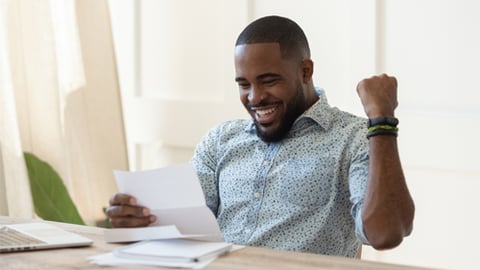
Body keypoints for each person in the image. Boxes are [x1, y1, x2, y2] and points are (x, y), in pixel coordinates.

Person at [106, 15, 414, 258]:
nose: (255, 97)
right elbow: (185, 226)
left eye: (269, 81)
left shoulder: (354, 138)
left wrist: (382, 120)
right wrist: (139, 219)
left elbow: (386, 233)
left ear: (305, 71)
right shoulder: (220, 140)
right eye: (244, 84)